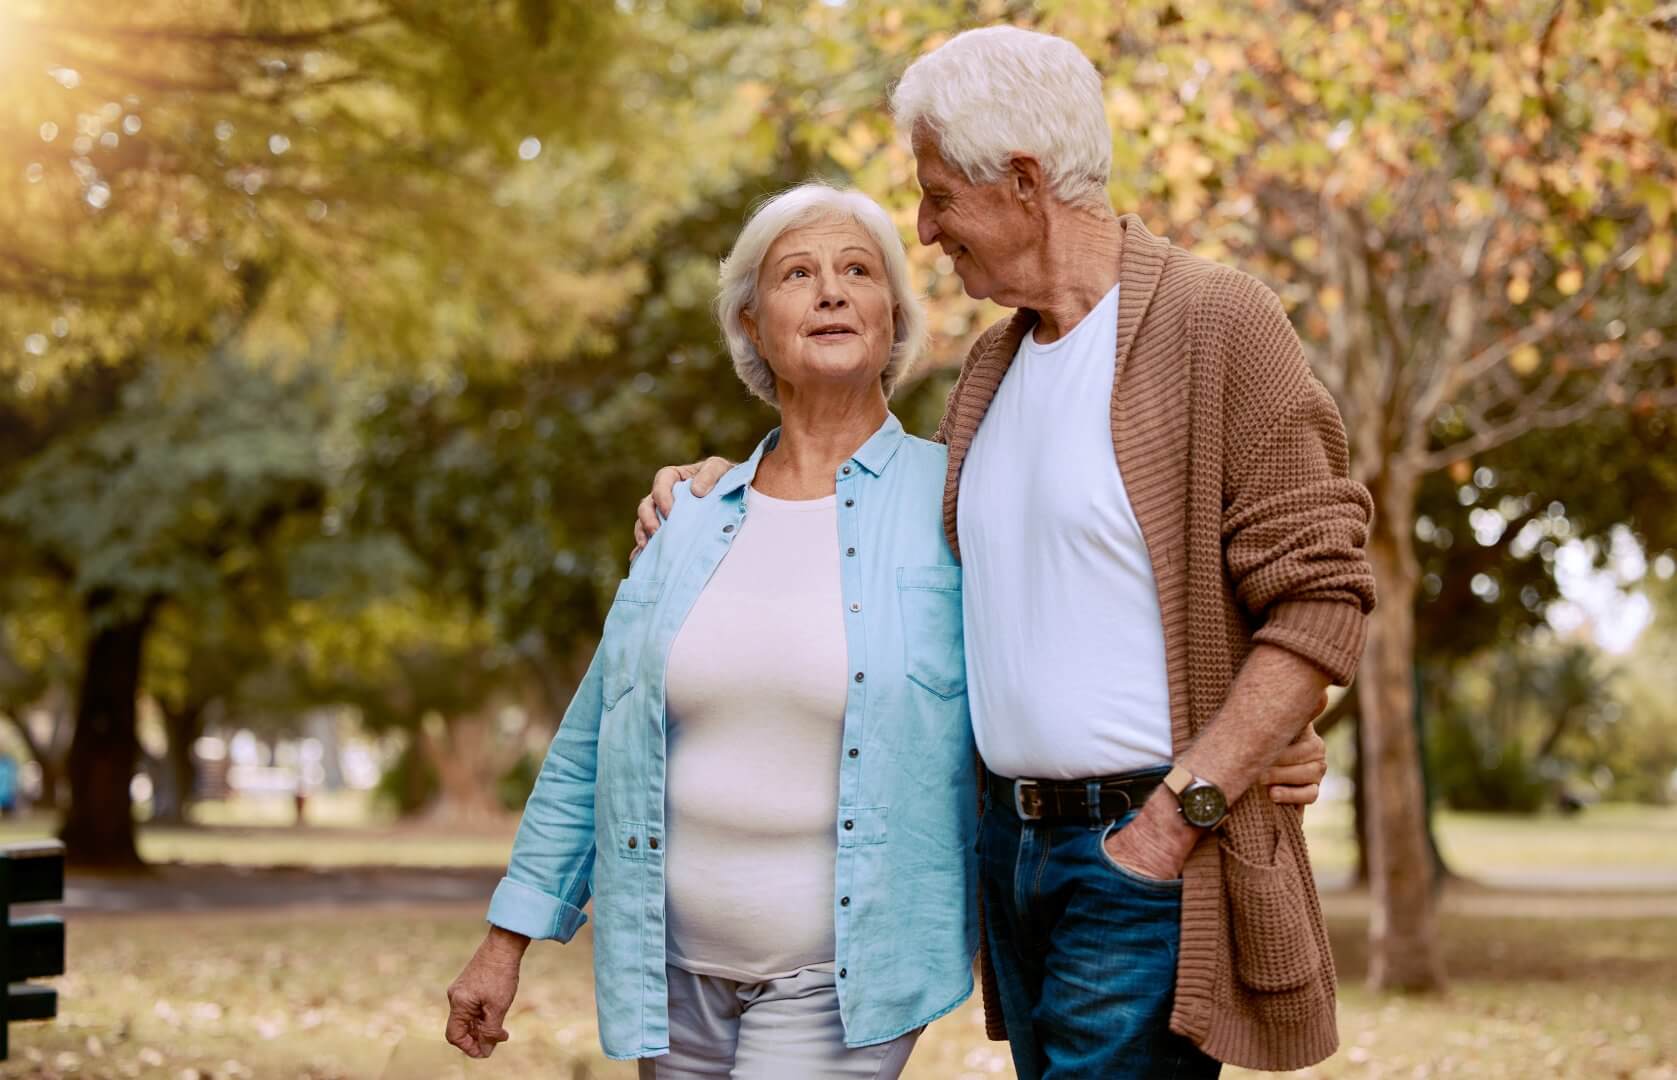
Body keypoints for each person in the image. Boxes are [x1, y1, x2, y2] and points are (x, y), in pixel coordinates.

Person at [633, 26, 1373, 1080]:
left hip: (1140, 853)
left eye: (938, 196)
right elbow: (879, 545)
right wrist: (713, 489)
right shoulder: (992, 367)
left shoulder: (1217, 324)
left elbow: (1322, 600)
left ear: (1023, 183)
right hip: (1015, 857)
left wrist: (1192, 805)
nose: (927, 231)